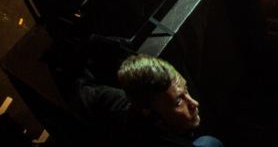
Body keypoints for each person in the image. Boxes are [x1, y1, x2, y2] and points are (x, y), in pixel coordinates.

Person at [74, 53, 222, 146]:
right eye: (178, 102)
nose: (194, 103)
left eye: (186, 90)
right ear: (152, 115)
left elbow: (80, 90)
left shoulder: (115, 99)